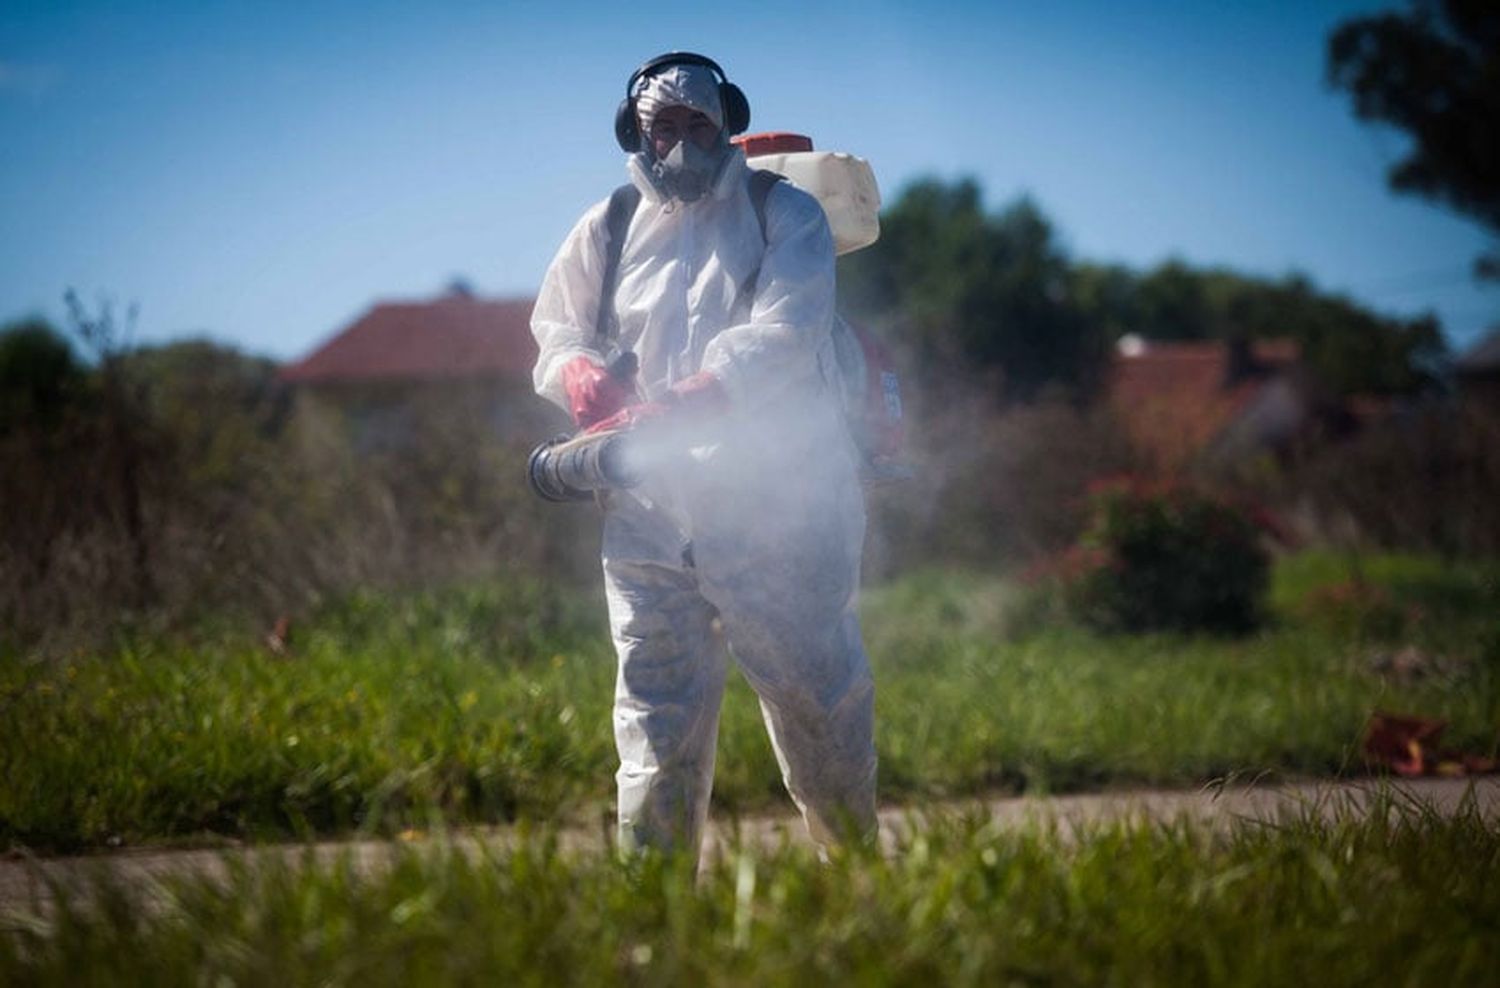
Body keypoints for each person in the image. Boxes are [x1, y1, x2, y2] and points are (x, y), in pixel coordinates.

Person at [529, 52, 876, 855]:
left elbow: (786, 331)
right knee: (653, 727)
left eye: (697, 125)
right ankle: (657, 927)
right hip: (647, 514)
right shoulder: (608, 225)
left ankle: (857, 879)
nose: (680, 144)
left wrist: (692, 398)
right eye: (663, 127)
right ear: (635, 133)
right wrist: (577, 374)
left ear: (728, 126)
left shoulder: (782, 212)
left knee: (817, 706)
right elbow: (556, 329)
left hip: (779, 510)